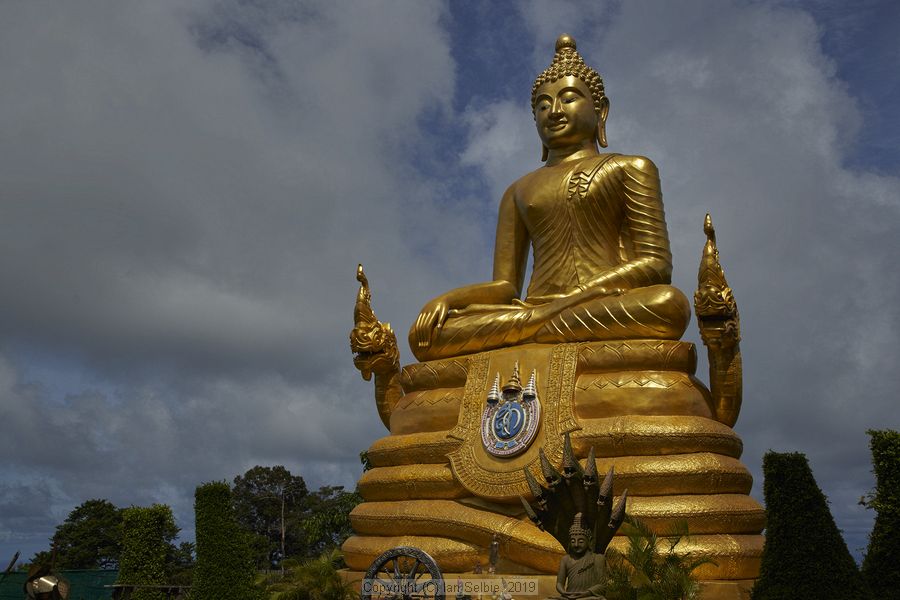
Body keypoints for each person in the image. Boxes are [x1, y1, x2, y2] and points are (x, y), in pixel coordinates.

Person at [410, 35, 689, 362]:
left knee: (667, 305)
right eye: (543, 105)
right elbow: (504, 286)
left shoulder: (628, 168)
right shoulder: (518, 190)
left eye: (568, 99)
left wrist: (579, 296)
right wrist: (446, 301)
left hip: (600, 303)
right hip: (536, 309)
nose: (553, 111)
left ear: (601, 111)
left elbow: (656, 265)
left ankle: (532, 331)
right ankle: (536, 326)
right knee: (430, 336)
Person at [550, 514, 607, 599]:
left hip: (588, 597)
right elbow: (559, 583)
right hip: (568, 597)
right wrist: (564, 592)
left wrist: (585, 593)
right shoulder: (566, 559)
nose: (576, 545)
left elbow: (602, 585)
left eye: (581, 541)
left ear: (589, 541)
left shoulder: (597, 558)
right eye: (573, 541)